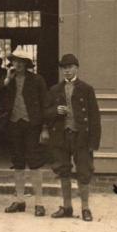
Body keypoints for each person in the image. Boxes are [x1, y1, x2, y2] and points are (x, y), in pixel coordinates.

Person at [45, 54, 101, 222]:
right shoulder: (54, 90)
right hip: (61, 136)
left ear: (77, 68)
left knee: (84, 171)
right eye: (64, 68)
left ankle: (85, 208)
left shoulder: (86, 89)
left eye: (70, 67)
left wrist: (93, 142)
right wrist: (56, 111)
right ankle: (67, 207)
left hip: (81, 137)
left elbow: (94, 117)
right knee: (63, 170)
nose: (67, 70)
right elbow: (45, 113)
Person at [0, 50, 50, 217]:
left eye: (21, 62)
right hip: (14, 125)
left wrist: (45, 127)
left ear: (27, 63)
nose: (17, 65)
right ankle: (20, 200)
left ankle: (39, 203)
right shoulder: (8, 81)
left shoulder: (37, 80)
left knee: (35, 163)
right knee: (17, 162)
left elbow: (45, 104)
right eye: (15, 61)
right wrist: (6, 80)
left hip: (32, 126)